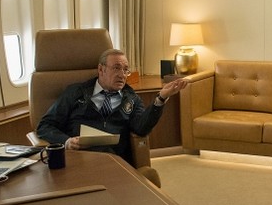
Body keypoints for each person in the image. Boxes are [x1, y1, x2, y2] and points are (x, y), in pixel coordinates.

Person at [37, 48, 188, 165]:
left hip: (114, 161)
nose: (122, 75)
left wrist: (161, 98)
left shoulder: (131, 99)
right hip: (79, 158)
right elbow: (45, 126)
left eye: (125, 70)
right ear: (101, 69)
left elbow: (141, 128)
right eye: (116, 68)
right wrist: (67, 141)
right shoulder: (75, 92)